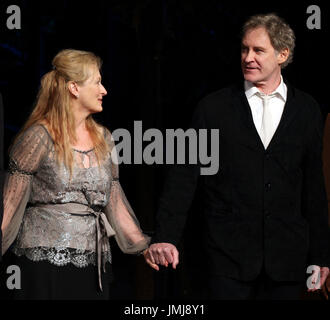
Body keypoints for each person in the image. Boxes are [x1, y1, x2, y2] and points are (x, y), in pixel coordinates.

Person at [145, 13, 330, 299]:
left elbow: (313, 189)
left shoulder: (307, 110)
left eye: (258, 50)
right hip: (226, 260)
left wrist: (321, 256)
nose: (248, 57)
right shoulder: (213, 108)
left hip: (288, 261)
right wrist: (166, 236)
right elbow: (184, 177)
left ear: (283, 54)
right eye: (244, 49)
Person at [1, 49, 157, 300]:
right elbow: (10, 203)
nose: (104, 90)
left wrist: (142, 246)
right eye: (97, 82)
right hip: (44, 261)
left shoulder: (104, 139)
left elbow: (113, 200)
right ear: (74, 88)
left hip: (92, 261)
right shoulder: (39, 136)